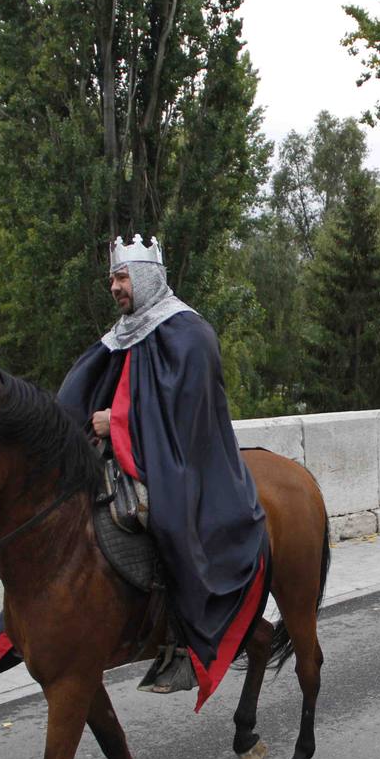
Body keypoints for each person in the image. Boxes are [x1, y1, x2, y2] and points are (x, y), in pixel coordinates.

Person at [57, 234, 268, 699]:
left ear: (148, 277)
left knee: (167, 520)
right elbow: (87, 390)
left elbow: (186, 413)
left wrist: (117, 423)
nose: (114, 286)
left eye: (122, 275)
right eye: (112, 277)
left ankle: (183, 641)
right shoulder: (125, 333)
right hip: (128, 453)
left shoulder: (190, 333)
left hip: (184, 460)